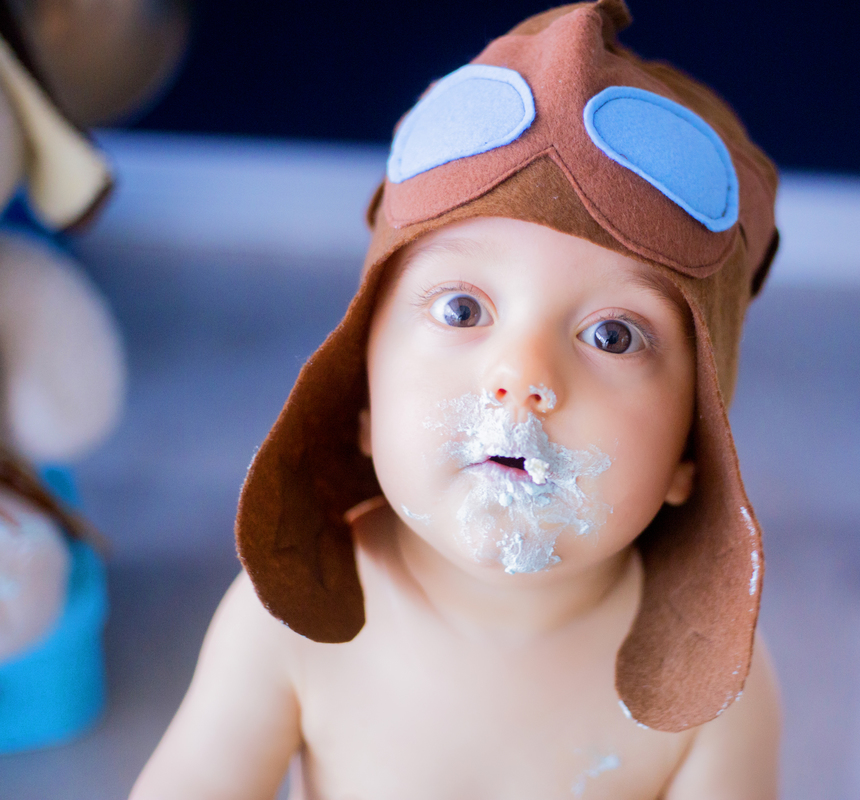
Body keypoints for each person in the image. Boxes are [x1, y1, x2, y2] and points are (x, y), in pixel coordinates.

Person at [130, 2, 781, 797]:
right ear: (358, 393)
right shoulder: (295, 618)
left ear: (693, 450)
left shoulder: (708, 680)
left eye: (613, 335)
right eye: (462, 310)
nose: (523, 375)